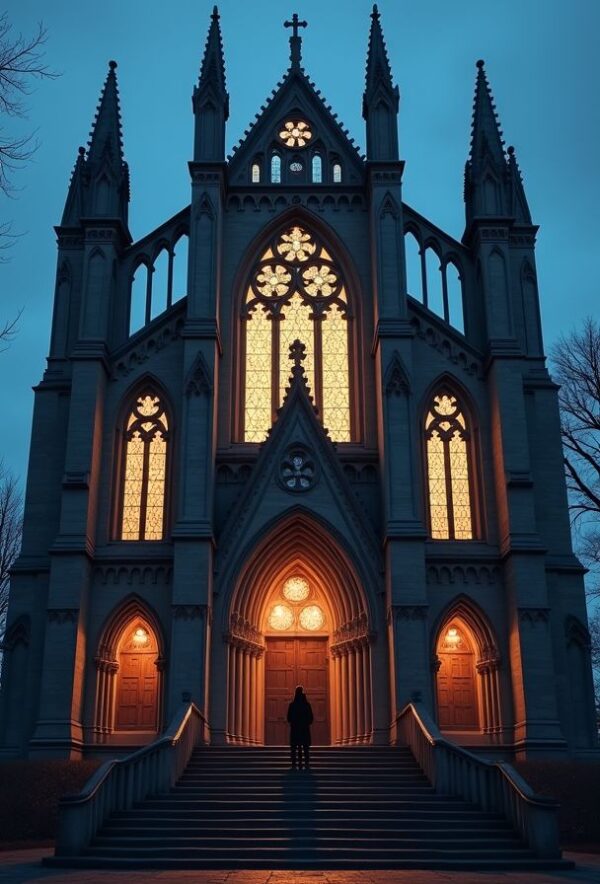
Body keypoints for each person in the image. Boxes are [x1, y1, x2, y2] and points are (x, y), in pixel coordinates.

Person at [287, 684, 313, 769]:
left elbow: (288, 717)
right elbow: (311, 717)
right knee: (305, 748)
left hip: (295, 730)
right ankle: (306, 763)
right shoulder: (306, 705)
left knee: (295, 748)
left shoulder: (292, 705)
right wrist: (306, 723)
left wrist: (294, 723)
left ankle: (295, 764)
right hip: (304, 729)